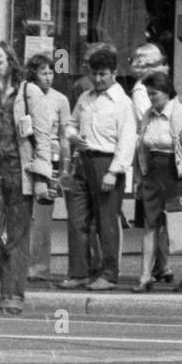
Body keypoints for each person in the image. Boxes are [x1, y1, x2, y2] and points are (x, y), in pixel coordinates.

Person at [0, 41, 53, 314]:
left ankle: (12, 296)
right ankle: (11, 278)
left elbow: (43, 139)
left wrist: (41, 178)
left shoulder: (30, 94)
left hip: (22, 174)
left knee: (17, 237)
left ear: (10, 63)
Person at [60, 46, 135, 291]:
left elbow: (127, 140)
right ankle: (80, 271)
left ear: (114, 73)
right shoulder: (85, 97)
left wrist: (114, 172)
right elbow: (70, 124)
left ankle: (109, 274)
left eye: (103, 74)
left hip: (106, 162)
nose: (98, 79)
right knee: (77, 218)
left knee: (106, 222)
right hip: (83, 160)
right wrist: (73, 137)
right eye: (94, 73)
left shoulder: (122, 103)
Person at [132, 72, 182, 292]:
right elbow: (141, 147)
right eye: (149, 94)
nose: (151, 98)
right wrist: (138, 179)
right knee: (151, 225)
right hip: (152, 174)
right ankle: (145, 276)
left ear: (166, 92)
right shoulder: (148, 116)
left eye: (155, 94)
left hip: (175, 175)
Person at [127, 42, 174, 283]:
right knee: (155, 217)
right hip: (152, 156)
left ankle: (161, 265)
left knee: (159, 216)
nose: (163, 68)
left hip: (155, 158)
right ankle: (158, 266)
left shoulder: (155, 87)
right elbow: (150, 120)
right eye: (157, 64)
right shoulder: (142, 90)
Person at [26, 53, 70, 282]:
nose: (48, 77)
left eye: (51, 72)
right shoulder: (25, 96)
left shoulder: (60, 100)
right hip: (27, 157)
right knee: (25, 214)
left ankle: (40, 266)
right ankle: (22, 263)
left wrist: (66, 165)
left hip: (50, 160)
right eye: (43, 73)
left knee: (43, 216)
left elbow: (64, 135)